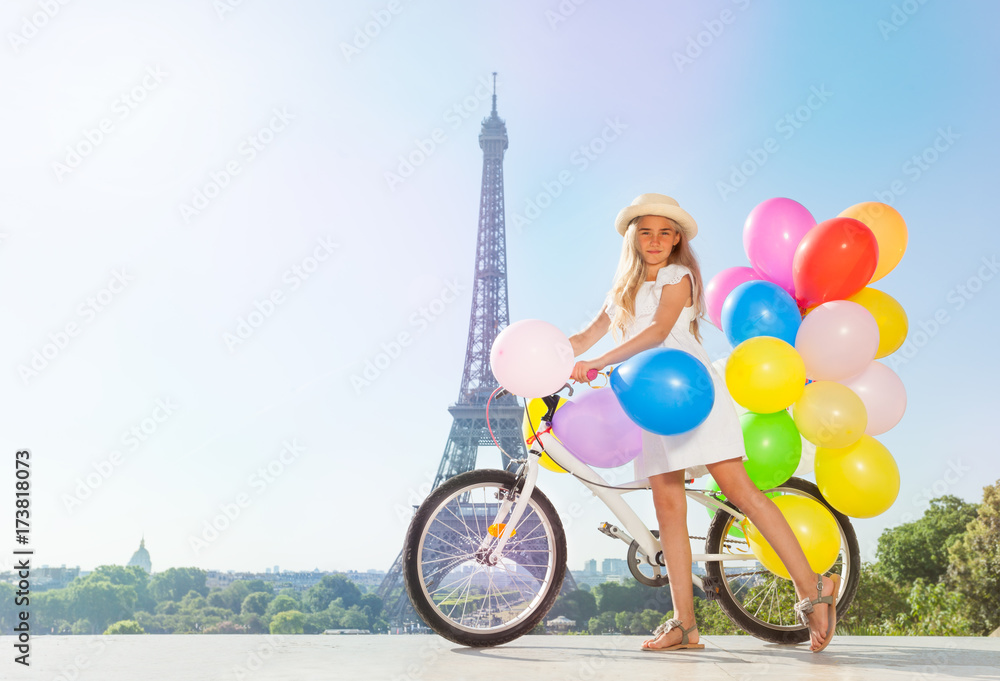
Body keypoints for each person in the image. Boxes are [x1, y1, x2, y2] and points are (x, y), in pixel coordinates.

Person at [567, 193, 839, 653]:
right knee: (668, 511)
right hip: (650, 405)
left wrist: (596, 364)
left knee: (742, 492)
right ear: (634, 237)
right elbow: (583, 336)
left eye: (664, 232)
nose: (655, 240)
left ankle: (813, 588)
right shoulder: (620, 292)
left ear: (677, 240)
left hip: (691, 395)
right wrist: (548, 355)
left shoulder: (680, 277)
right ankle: (686, 626)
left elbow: (656, 332)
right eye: (645, 231)